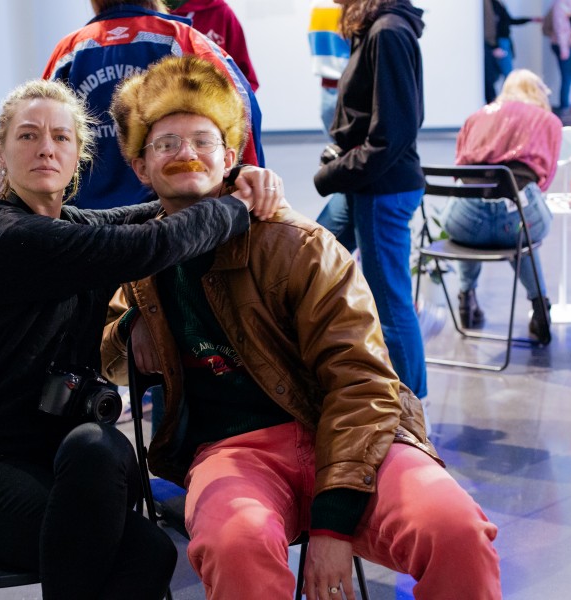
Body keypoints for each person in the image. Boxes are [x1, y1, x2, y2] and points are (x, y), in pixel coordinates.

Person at [102, 54, 501, 600]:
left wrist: (332, 525)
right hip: (232, 452)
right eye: (166, 143)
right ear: (141, 166)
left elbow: (362, 381)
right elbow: (109, 354)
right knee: (234, 544)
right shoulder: (141, 259)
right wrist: (130, 327)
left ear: (229, 157)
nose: (185, 153)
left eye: (202, 139)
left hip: (350, 434)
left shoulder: (298, 246)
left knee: (456, 530)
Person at [0, 77, 283, 600]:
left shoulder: (67, 223)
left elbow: (142, 214)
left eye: (61, 137)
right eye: (28, 135)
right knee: (134, 546)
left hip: (70, 464)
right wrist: (236, 208)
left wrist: (230, 176)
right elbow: (148, 243)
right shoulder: (12, 239)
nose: (45, 148)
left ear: (78, 154)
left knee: (120, 488)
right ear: (2, 150)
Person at [42, 0, 264, 211]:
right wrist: (248, 181)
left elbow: (37, 128)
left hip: (85, 218)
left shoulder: (70, 51)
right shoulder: (180, 39)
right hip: (172, 217)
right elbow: (242, 110)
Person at [313, 0, 428, 401]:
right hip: (366, 183)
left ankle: (412, 410)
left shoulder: (387, 32)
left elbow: (392, 135)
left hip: (382, 188)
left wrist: (333, 173)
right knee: (310, 261)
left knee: (392, 306)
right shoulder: (375, 28)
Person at [442, 69, 562, 345]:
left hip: (466, 219)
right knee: (523, 235)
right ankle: (540, 307)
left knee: (473, 232)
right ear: (538, 92)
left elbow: (458, 168)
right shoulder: (548, 121)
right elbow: (545, 180)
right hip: (519, 216)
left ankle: (466, 298)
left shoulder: (476, 117)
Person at [309, 0, 357, 253]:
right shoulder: (336, 8)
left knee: (349, 167)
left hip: (337, 87)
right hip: (338, 86)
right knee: (348, 167)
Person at [170, 0, 260, 91]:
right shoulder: (161, 13)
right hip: (167, 94)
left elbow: (245, 79)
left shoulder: (222, 13)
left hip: (214, 97)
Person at [484, 0, 541, 103]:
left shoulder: (499, 4)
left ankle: (508, 102)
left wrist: (529, 19)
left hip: (504, 42)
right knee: (506, 76)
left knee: (506, 75)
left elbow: (508, 21)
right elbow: (489, 25)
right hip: (499, 43)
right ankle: (506, 103)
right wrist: (494, 46)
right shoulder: (490, 3)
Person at [544, 0, 571, 120]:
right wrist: (564, 49)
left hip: (569, 45)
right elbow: (561, 28)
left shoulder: (569, 4)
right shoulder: (562, 4)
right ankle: (566, 108)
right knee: (568, 78)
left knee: (570, 78)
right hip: (566, 46)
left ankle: (570, 108)